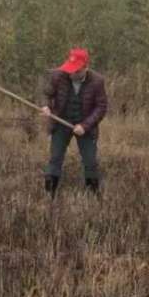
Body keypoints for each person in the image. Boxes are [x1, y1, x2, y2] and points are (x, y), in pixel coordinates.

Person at [39, 48, 108, 196]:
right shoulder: (58, 75)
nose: (71, 73)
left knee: (90, 161)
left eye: (76, 71)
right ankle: (49, 196)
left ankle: (93, 196)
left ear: (85, 68)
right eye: (70, 69)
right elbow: (46, 94)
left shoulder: (97, 81)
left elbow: (101, 107)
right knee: (55, 158)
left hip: (86, 126)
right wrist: (46, 106)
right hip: (60, 122)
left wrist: (85, 126)